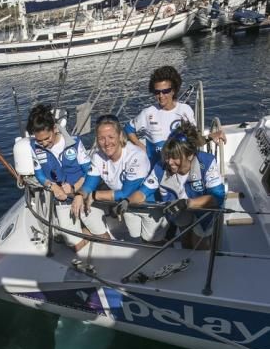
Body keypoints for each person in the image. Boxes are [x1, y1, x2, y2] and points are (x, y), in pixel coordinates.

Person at [129, 121, 226, 250]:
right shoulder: (160, 166)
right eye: (168, 156)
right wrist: (126, 201)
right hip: (177, 212)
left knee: (200, 245)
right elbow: (142, 193)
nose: (169, 162)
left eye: (175, 158)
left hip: (202, 211)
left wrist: (186, 203)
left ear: (190, 155)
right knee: (185, 240)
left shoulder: (207, 163)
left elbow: (217, 198)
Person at [71, 115, 165, 244]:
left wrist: (93, 195)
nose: (107, 142)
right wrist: (80, 194)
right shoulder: (98, 157)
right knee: (136, 239)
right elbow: (89, 183)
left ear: (120, 136)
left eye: (111, 137)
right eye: (101, 138)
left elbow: (127, 193)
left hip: (149, 206)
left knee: (152, 241)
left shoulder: (136, 155)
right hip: (127, 208)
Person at [125, 65, 225, 168]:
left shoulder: (185, 110)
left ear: (173, 90)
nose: (161, 96)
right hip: (158, 169)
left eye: (165, 91)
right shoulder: (148, 113)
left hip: (182, 169)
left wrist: (211, 136)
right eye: (157, 92)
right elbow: (128, 129)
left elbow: (194, 140)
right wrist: (142, 147)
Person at [27, 104, 92, 251]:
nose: (44, 144)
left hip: (83, 192)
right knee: (75, 246)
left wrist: (76, 188)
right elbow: (39, 174)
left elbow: (89, 170)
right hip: (62, 198)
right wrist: (53, 187)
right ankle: (81, 232)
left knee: (103, 236)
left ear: (55, 129)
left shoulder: (75, 142)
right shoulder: (34, 147)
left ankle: (87, 230)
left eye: (47, 138)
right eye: (39, 140)